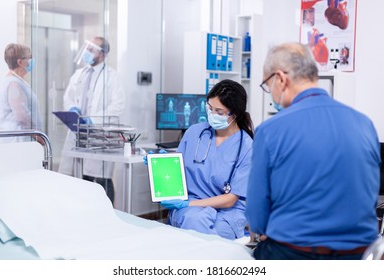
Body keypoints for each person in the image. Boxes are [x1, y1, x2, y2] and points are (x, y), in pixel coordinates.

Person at [246, 42, 380, 260]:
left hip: (295, 254)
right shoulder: (364, 124)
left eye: (267, 85)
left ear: (280, 79)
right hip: (360, 256)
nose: (270, 93)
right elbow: (368, 198)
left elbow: (257, 218)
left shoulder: (271, 130)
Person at [160, 79, 254, 240]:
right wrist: (161, 164)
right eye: (209, 109)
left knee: (202, 231)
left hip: (227, 212)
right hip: (192, 206)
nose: (212, 115)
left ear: (235, 114)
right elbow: (177, 172)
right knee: (195, 223)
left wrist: (188, 205)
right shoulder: (195, 132)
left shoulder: (247, 147)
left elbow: (231, 199)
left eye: (219, 112)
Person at [58, 37, 124, 205]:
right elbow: (69, 97)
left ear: (102, 54)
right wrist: (72, 108)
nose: (87, 52)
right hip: (78, 131)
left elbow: (118, 105)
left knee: (102, 179)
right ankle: (87, 213)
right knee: (82, 176)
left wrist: (92, 120)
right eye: (86, 48)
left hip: (98, 133)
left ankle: (110, 214)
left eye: (91, 49)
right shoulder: (79, 74)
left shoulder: (111, 77)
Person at [0, 43, 43, 143]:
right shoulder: (13, 84)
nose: (32, 60)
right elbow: (22, 117)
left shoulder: (17, 81)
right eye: (30, 57)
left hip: (23, 139)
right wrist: (39, 137)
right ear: (20, 62)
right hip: (19, 141)